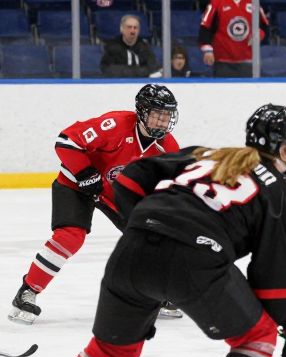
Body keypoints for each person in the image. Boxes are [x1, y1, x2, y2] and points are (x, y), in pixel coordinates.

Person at [12, 104, 286, 357]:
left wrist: (151, 220)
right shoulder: (284, 197)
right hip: (195, 262)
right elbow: (274, 278)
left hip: (132, 249)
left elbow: (128, 179)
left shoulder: (205, 155)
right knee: (257, 337)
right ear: (285, 149)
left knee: (110, 351)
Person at [9, 85, 179, 325]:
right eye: (157, 114)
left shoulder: (168, 147)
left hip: (114, 194)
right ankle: (28, 291)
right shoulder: (115, 125)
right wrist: (85, 173)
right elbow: (66, 141)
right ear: (141, 111)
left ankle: (157, 292)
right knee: (70, 236)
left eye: (167, 116)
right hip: (75, 184)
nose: (162, 122)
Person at [199, 0, 270, 79]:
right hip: (223, 60)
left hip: (247, 59)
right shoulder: (217, 1)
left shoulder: (253, 0)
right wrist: (208, 50)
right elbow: (205, 27)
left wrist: (259, 34)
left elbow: (264, 25)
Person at [100, 14, 159, 78]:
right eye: (129, 27)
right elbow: (107, 69)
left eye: (135, 28)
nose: (132, 31)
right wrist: (138, 71)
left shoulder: (145, 48)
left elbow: (153, 69)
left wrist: (128, 71)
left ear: (139, 31)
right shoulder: (112, 47)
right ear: (121, 29)